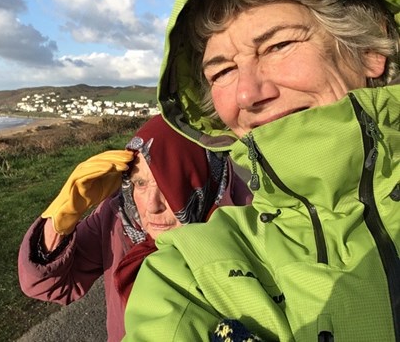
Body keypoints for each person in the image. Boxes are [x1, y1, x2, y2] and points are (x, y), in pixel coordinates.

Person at [122, 0, 400, 341]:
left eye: (277, 45)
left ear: (369, 48)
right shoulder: (189, 276)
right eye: (222, 71)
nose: (248, 93)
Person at [17, 114, 251, 342]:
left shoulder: (247, 226)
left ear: (201, 180)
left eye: (169, 185)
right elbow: (48, 286)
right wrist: (62, 216)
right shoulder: (119, 217)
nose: (152, 206)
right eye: (140, 183)